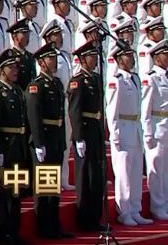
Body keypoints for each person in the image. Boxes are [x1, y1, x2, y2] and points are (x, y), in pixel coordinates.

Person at [25, 42, 72, 239]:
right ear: (41, 62)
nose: (54, 61)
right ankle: (44, 226)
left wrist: (61, 140)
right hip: (43, 137)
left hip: (55, 137)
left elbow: (61, 114)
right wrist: (38, 142)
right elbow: (34, 116)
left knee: (53, 187)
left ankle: (54, 223)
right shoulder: (36, 86)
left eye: (54, 57)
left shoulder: (57, 83)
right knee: (44, 187)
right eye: (50, 58)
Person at [0, 50, 31, 245]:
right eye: (11, 67)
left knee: (15, 193)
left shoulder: (17, 91)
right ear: (1, 70)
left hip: (17, 147)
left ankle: (14, 231)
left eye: (16, 67)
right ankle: (4, 234)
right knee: (3, 196)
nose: (15, 70)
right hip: (5, 148)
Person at [104, 39, 151, 227]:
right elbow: (111, 110)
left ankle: (135, 208)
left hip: (135, 127)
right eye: (127, 56)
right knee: (124, 173)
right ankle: (124, 211)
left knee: (135, 172)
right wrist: (114, 134)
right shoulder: (116, 81)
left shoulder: (135, 78)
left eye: (131, 55)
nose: (131, 59)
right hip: (123, 128)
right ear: (118, 59)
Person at [141, 40, 168, 220]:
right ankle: (157, 205)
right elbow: (146, 108)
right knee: (157, 168)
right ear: (156, 57)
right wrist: (148, 131)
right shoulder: (150, 78)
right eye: (165, 54)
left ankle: (167, 203)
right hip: (157, 125)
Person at [67, 40, 109, 232]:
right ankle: (85, 219)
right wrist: (78, 137)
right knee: (85, 177)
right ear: (83, 59)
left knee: (97, 176)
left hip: (96, 130)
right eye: (92, 56)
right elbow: (74, 112)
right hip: (85, 130)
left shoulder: (95, 78)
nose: (95, 59)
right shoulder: (78, 81)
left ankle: (95, 216)